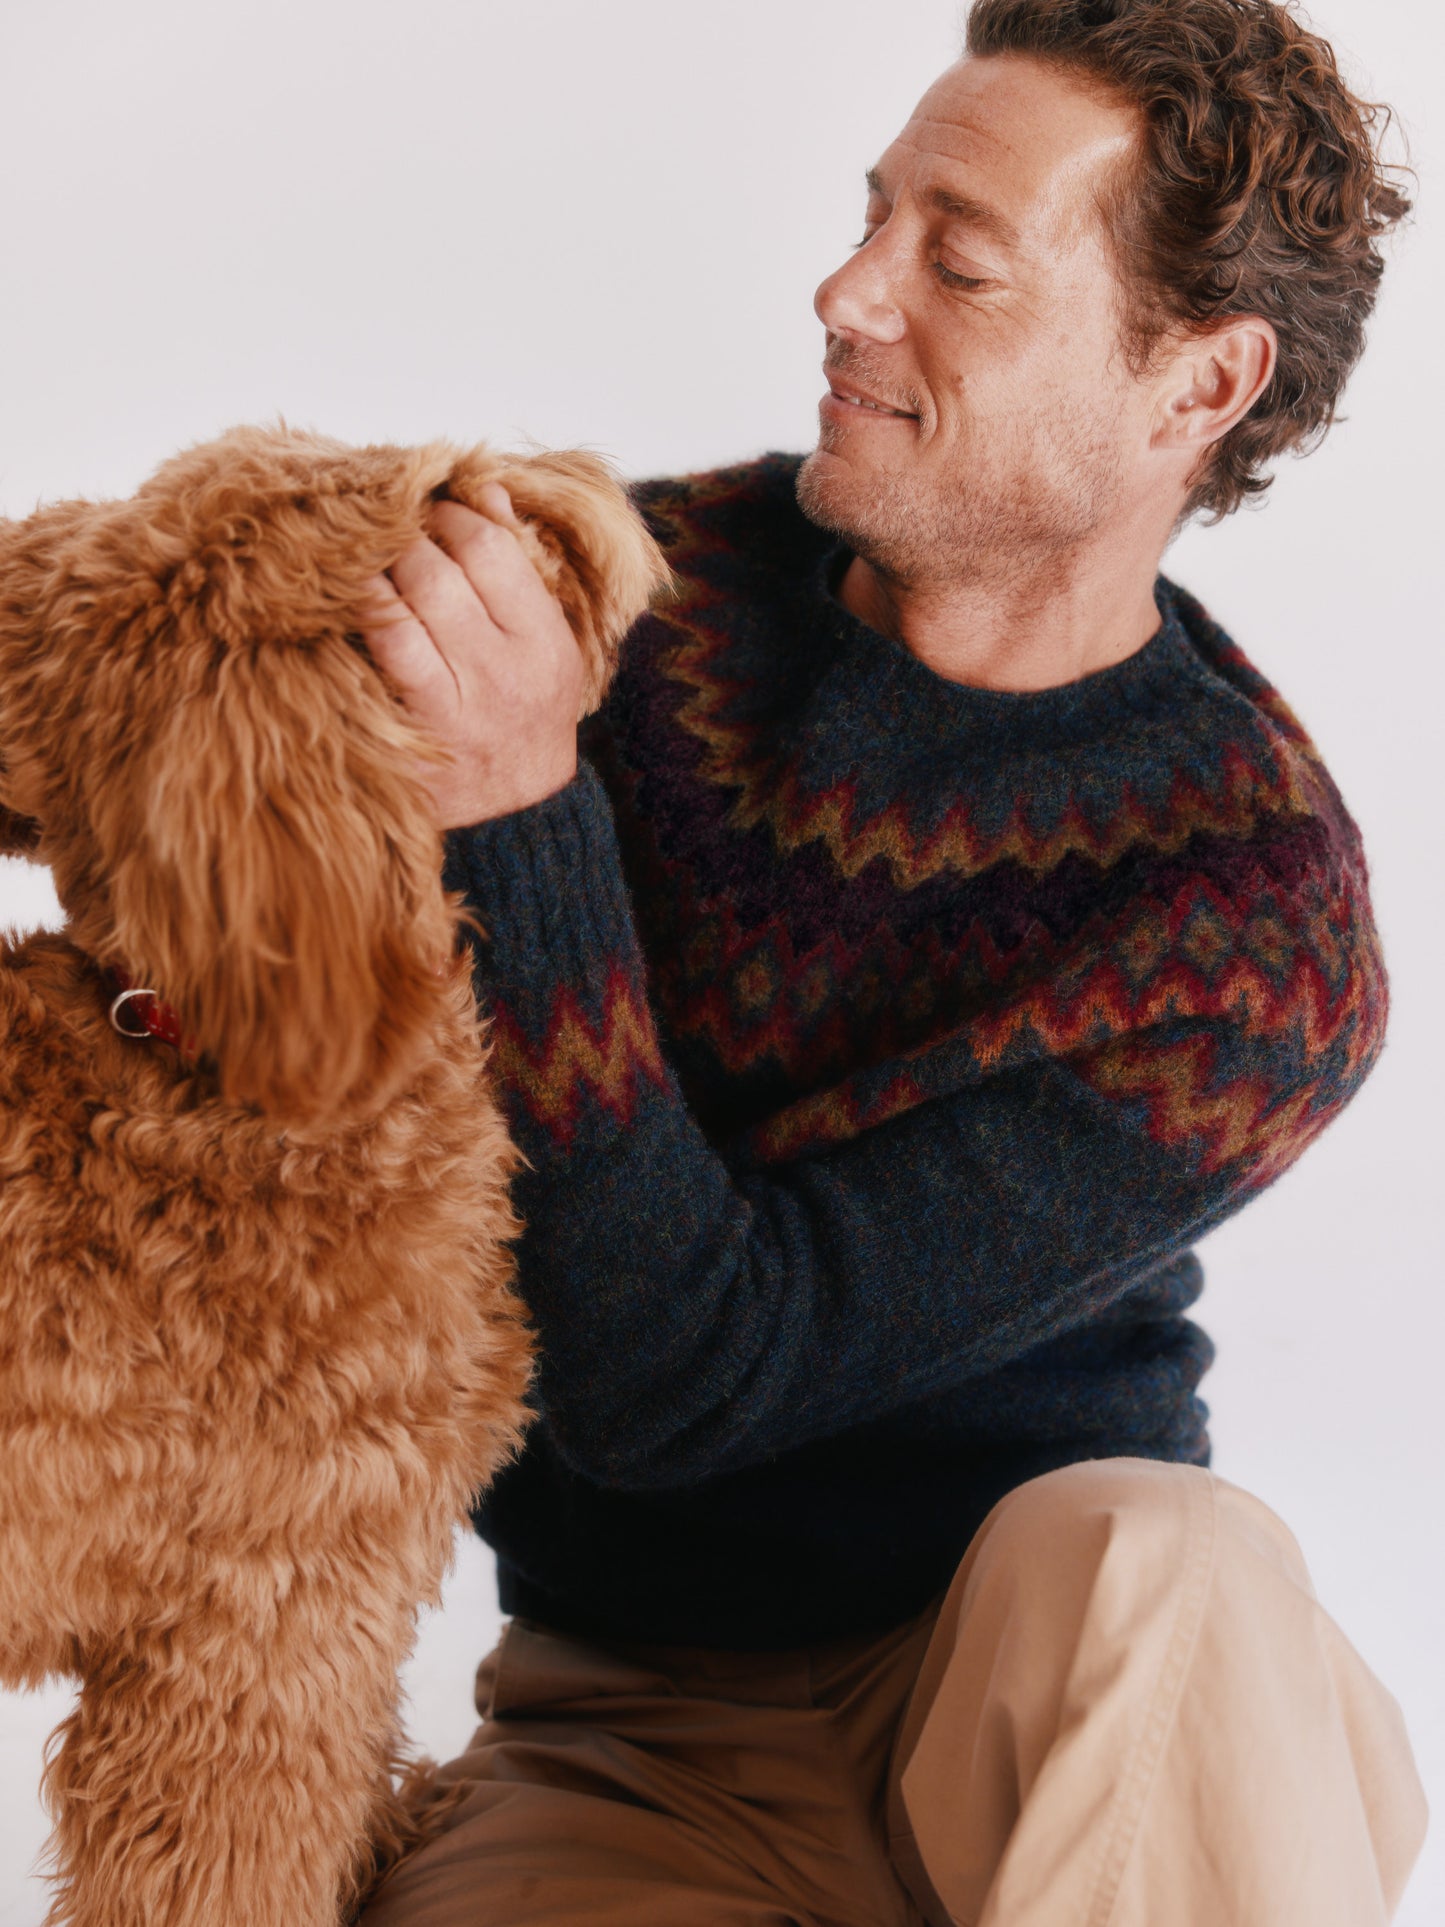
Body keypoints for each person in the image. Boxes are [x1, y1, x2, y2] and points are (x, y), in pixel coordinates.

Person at [358, 2, 1428, 1920]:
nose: (847, 292)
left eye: (959, 260)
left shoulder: (1253, 931)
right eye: (875, 217)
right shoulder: (627, 608)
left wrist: (516, 823)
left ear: (1195, 385)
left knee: (1158, 1559)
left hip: (1054, 1706)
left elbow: (694, 1373)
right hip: (637, 1736)